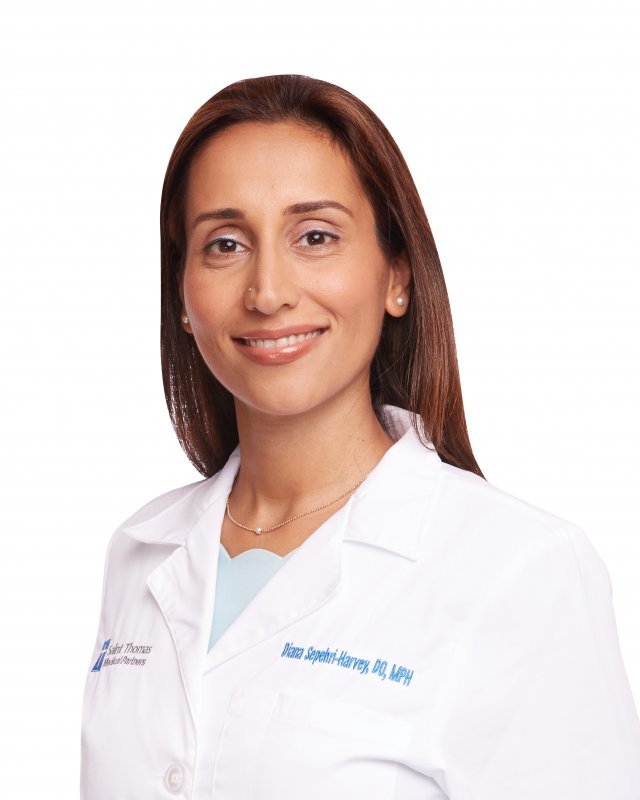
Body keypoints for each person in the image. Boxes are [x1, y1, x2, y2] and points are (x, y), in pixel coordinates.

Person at [80, 74, 640, 799]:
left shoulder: (521, 571)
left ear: (396, 277)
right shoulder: (140, 552)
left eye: (315, 236)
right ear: (183, 296)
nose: (269, 290)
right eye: (224, 243)